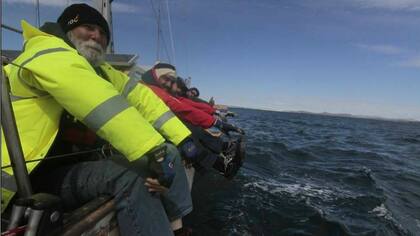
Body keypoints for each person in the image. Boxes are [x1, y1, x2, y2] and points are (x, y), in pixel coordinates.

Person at [1, 4, 194, 235]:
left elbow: (143, 99)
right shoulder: (46, 52)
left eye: (103, 33)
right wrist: (154, 149)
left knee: (167, 153)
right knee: (129, 177)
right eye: (88, 28)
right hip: (24, 177)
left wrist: (184, 139)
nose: (97, 36)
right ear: (67, 30)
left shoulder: (101, 71)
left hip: (66, 167)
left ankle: (177, 226)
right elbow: (97, 100)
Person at [140, 63, 244, 178]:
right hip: (149, 137)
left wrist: (214, 116)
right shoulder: (151, 90)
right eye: (166, 79)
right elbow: (181, 107)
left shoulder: (157, 89)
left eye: (171, 81)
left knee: (192, 128)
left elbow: (191, 105)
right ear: (156, 75)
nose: (169, 84)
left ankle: (223, 152)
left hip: (154, 131)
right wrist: (216, 122)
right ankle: (221, 164)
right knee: (188, 133)